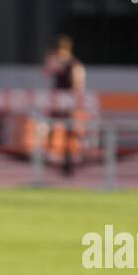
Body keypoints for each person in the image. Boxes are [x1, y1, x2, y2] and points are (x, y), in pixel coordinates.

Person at [42, 35, 85, 176]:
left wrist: (74, 101)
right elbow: (45, 73)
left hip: (68, 105)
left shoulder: (74, 65)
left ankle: (69, 161)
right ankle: (49, 157)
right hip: (56, 104)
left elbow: (78, 84)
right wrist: (51, 62)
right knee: (51, 129)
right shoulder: (55, 63)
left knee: (69, 133)